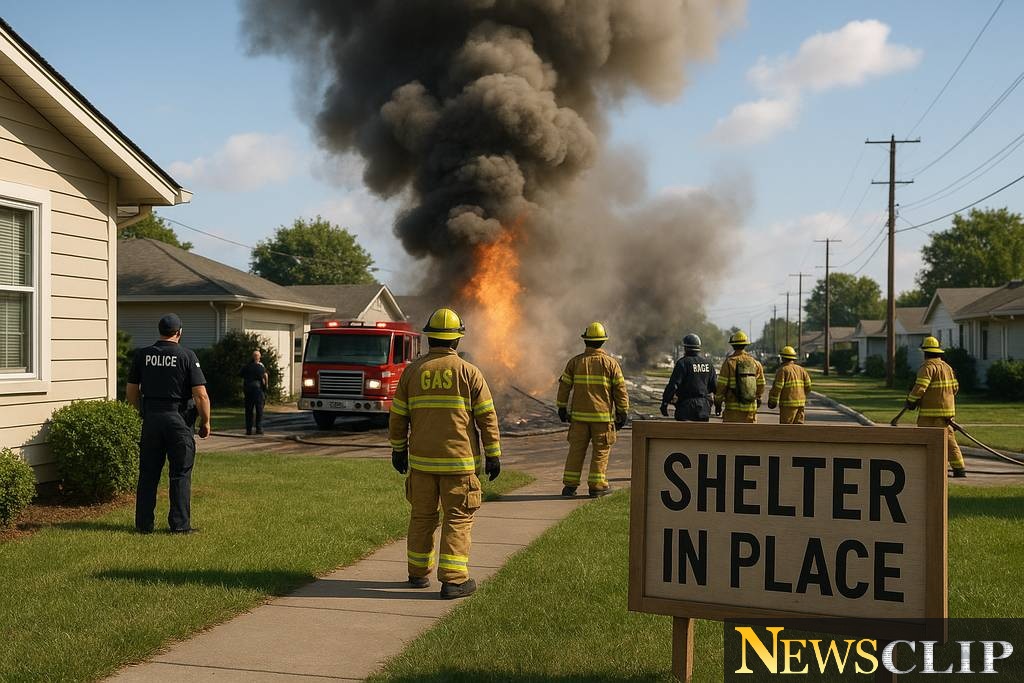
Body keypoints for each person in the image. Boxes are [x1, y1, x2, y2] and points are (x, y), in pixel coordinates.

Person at [388, 308, 501, 599]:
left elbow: (398, 415)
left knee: (422, 517)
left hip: (422, 464)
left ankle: (417, 574)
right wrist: (493, 454)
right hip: (459, 465)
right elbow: (487, 417)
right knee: (458, 519)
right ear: (457, 340)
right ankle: (453, 581)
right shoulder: (469, 372)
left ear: (429, 339)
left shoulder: (413, 371)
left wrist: (398, 449)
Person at [125, 313, 211, 534]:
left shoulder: (142, 355)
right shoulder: (187, 356)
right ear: (179, 332)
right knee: (180, 474)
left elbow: (132, 391)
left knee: (148, 474)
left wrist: (139, 413)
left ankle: (144, 525)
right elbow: (200, 395)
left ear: (160, 331)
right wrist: (206, 421)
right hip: (178, 420)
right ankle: (180, 526)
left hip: (152, 418)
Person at [556, 322, 629, 497]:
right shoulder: (611, 364)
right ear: (603, 341)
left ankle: (570, 487)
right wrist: (622, 411)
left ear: (585, 340)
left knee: (576, 451)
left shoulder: (575, 362)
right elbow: (620, 390)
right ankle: (597, 486)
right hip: (602, 419)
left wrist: (561, 406)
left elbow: (564, 386)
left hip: (579, 419)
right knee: (601, 451)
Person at [905, 336, 967, 478]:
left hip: (929, 414)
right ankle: (959, 469)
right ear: (938, 352)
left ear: (925, 352)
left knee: (924, 440)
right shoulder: (947, 368)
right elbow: (955, 388)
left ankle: (928, 468)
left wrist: (911, 400)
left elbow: (921, 387)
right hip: (947, 414)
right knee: (949, 441)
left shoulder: (927, 367)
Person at [660, 333, 716, 421]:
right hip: (703, 407)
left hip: (685, 407)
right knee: (701, 434)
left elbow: (673, 386)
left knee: (684, 433)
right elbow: (715, 387)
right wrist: (717, 406)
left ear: (685, 348)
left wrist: (665, 403)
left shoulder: (682, 363)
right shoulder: (708, 364)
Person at [714, 330, 765, 423]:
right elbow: (761, 385)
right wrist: (758, 397)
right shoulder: (755, 363)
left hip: (733, 411)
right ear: (746, 345)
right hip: (750, 410)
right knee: (748, 436)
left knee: (733, 436)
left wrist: (718, 403)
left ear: (733, 345)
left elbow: (721, 386)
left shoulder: (729, 363)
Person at [767, 345, 812, 424]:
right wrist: (803, 397)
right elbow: (808, 386)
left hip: (788, 405)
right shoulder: (801, 370)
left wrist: (773, 401)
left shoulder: (783, 370)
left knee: (786, 429)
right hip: (801, 404)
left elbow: (777, 388)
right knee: (798, 428)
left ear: (783, 358)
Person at [240, 350, 269, 435]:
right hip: (258, 390)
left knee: (249, 410)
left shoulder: (246, 366)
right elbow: (265, 376)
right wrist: (266, 386)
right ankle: (259, 428)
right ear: (259, 357)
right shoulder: (260, 367)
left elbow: (240, 374)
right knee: (259, 410)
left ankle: (249, 429)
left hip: (248, 390)